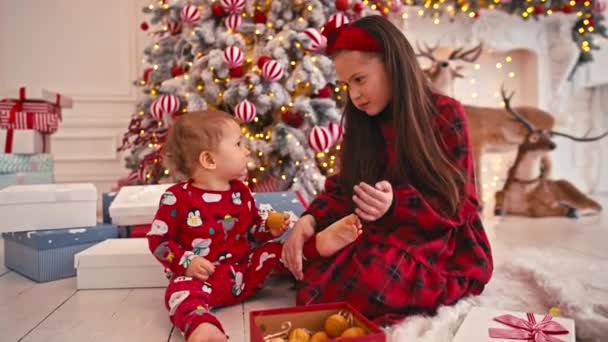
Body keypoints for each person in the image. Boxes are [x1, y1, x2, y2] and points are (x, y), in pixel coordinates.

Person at [282, 15, 494, 326]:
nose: (354, 95)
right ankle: (330, 246)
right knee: (302, 261)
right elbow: (346, 187)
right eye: (346, 85)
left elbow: (459, 203)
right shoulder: (364, 120)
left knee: (373, 278)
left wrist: (396, 203)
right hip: (381, 229)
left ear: (392, 65)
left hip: (437, 231)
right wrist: (309, 218)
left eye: (359, 79)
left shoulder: (446, 114)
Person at [147, 111, 290, 342]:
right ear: (209, 160)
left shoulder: (241, 191)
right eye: (238, 144)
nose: (246, 150)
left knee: (280, 250)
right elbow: (159, 241)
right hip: (203, 280)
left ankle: (317, 262)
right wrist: (187, 262)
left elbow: (251, 228)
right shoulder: (177, 198)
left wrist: (267, 229)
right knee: (179, 292)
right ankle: (201, 326)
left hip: (244, 273)